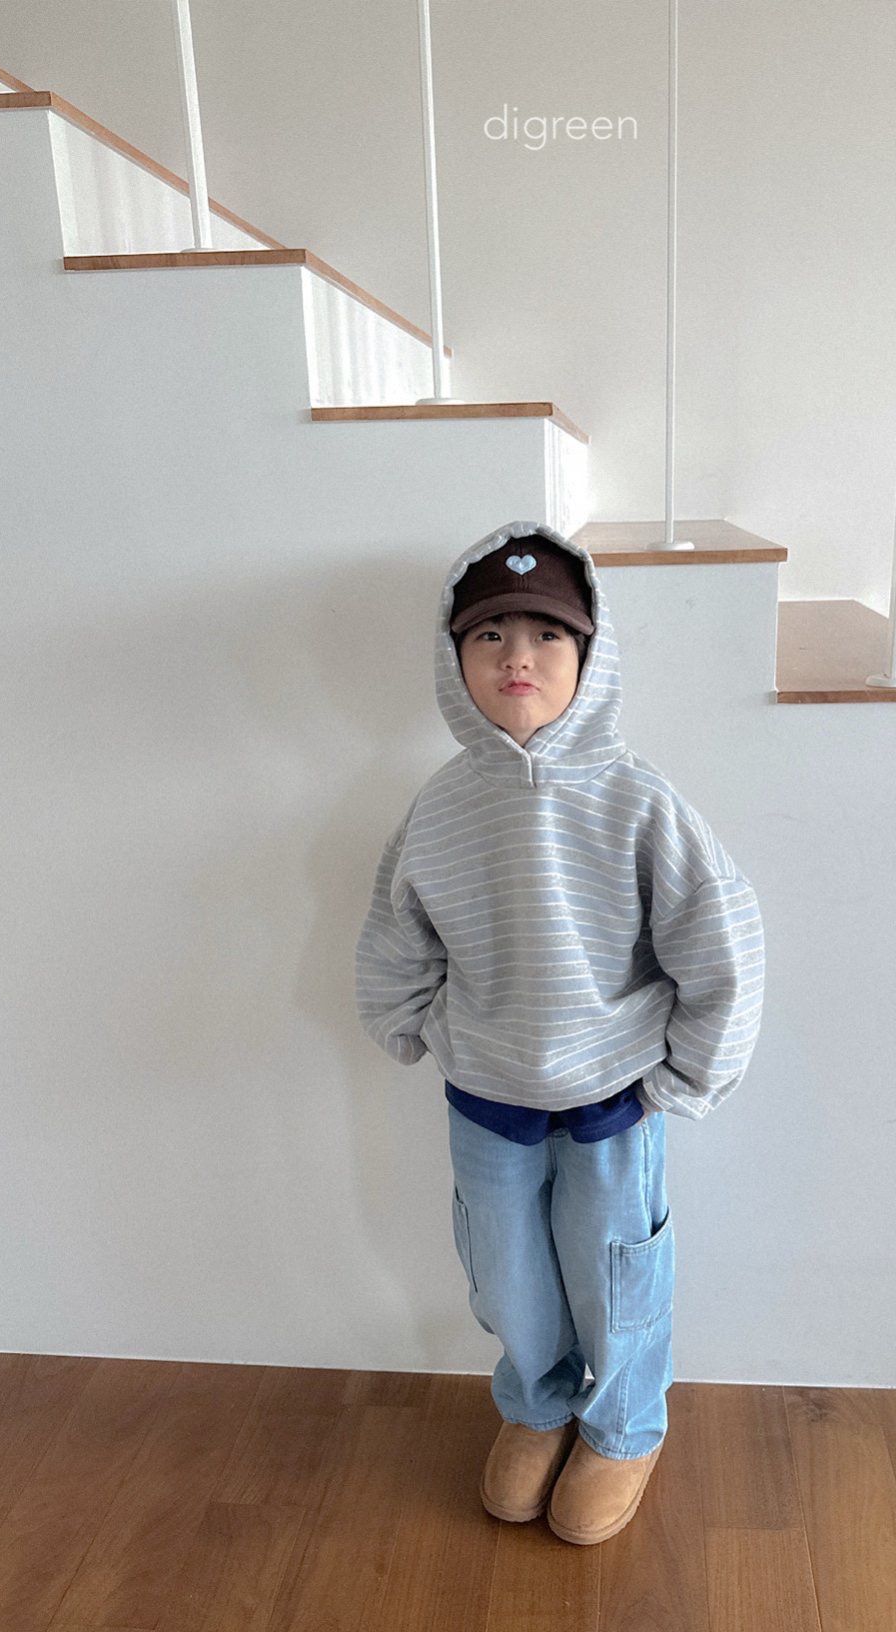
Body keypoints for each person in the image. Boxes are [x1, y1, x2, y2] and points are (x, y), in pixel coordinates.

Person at [354, 520, 764, 1544]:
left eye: (546, 633)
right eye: (489, 634)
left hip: (613, 1096)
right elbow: (399, 926)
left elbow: (721, 938)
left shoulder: (638, 800)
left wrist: (687, 1075)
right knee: (505, 1271)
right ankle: (537, 1404)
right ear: (454, 659)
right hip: (485, 1095)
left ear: (590, 654)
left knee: (614, 1270)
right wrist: (403, 1019)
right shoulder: (441, 807)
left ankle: (622, 1424)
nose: (518, 656)